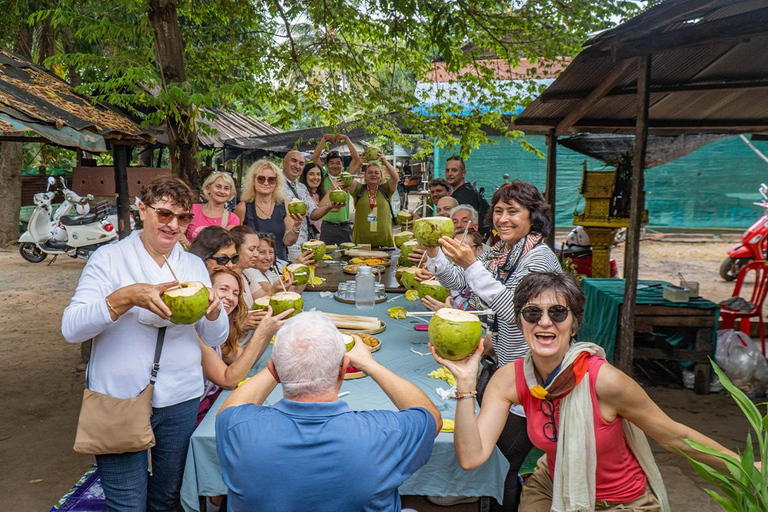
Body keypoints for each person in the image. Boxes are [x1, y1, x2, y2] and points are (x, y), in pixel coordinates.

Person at [433, 271, 746, 511]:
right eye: (532, 313)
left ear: (574, 323)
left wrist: (746, 469)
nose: (545, 322)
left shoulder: (604, 381)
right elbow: (472, 457)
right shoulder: (509, 380)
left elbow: (675, 436)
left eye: (558, 313)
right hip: (551, 486)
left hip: (621, 502)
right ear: (520, 321)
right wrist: (465, 385)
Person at [61, 176, 228, 511]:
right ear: (142, 210)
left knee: (167, 497)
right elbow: (71, 328)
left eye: (183, 218)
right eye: (164, 214)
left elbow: (214, 337)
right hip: (119, 393)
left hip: (181, 394)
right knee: (128, 503)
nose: (173, 225)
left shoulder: (192, 264)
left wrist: (212, 312)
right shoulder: (109, 259)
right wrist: (125, 298)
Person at [424, 180, 562, 511]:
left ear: (533, 216)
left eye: (513, 212)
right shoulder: (502, 253)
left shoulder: (538, 260)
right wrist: (435, 253)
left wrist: (472, 264)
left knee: (503, 461)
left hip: (533, 381)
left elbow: (514, 313)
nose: (503, 219)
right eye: (498, 211)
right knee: (495, 458)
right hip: (507, 372)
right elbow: (468, 289)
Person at [215, 311, 442, 511]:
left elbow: (229, 410)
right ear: (343, 370)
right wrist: (371, 365)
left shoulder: (237, 427)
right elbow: (430, 416)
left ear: (273, 369)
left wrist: (282, 364)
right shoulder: (383, 432)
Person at [197, 268, 292, 424]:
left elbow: (244, 360)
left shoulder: (220, 330)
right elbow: (229, 379)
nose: (230, 298)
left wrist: (268, 330)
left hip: (215, 403)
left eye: (235, 293)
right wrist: (261, 333)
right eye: (223, 289)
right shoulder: (195, 330)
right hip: (198, 412)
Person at [234, 159, 302, 262]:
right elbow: (236, 241)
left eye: (271, 179)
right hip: (253, 266)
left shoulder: (285, 205)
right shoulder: (243, 207)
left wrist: (297, 226)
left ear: (276, 182)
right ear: (253, 180)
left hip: (279, 264)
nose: (266, 183)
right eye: (261, 179)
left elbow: (288, 241)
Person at [281, 151, 342, 260]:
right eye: (293, 161)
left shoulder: (302, 188)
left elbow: (313, 213)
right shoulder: (274, 185)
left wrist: (330, 206)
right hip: (286, 244)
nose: (297, 166)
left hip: (304, 243)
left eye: (301, 163)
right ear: (283, 162)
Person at [312, 134, 362, 245]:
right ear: (327, 165)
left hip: (344, 226)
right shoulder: (323, 175)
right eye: (332, 163)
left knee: (347, 256)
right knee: (325, 256)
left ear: (342, 164)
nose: (335, 166)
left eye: (338, 163)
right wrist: (324, 138)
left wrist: (347, 139)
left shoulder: (346, 177)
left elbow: (357, 160)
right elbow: (315, 157)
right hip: (326, 226)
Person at [347, 153, 399, 247]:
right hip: (361, 241)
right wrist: (359, 163)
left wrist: (385, 161)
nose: (373, 175)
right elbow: (346, 179)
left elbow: (395, 178)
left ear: (381, 175)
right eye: (370, 173)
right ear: (365, 176)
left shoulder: (386, 189)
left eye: (376, 173)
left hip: (384, 240)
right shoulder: (359, 189)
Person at [185, 171, 240, 244]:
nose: (222, 191)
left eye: (226, 188)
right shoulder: (192, 210)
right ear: (208, 188)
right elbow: (179, 234)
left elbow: (226, 246)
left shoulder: (232, 219)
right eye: (218, 187)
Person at [445, 155, 490, 235]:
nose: (449, 174)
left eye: (454, 170)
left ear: (463, 173)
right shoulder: (467, 190)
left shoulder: (465, 195)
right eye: (447, 170)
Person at [299, 163, 326, 239]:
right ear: (305, 176)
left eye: (318, 174)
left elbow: (334, 209)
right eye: (311, 174)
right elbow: (315, 212)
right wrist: (331, 189)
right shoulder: (302, 194)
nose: (316, 177)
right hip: (303, 237)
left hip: (317, 236)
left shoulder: (319, 194)